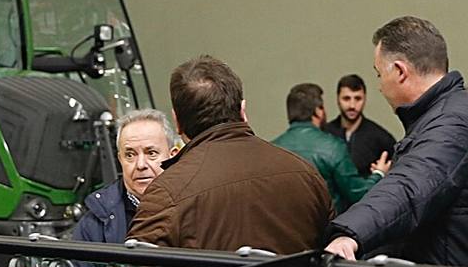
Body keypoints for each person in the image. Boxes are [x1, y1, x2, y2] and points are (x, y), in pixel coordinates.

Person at [324, 17, 468, 267]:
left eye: (379, 74)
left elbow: (408, 187)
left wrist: (349, 235)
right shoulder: (450, 113)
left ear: (401, 72)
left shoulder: (452, 124)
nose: (380, 87)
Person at [125, 56, 330, 255]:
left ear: (177, 122)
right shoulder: (304, 173)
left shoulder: (167, 193)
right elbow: (331, 252)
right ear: (243, 111)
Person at [64, 109, 178, 267]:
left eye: (151, 153)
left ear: (173, 155)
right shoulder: (94, 225)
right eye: (130, 155)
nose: (140, 164)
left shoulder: (191, 209)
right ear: (120, 160)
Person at [272, 83, 382, 213]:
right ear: (318, 111)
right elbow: (358, 193)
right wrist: (379, 174)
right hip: (325, 229)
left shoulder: (272, 149)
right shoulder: (333, 147)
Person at [322, 73, 396, 175]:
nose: (352, 105)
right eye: (346, 98)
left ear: (365, 99)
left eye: (358, 99)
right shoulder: (324, 134)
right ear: (338, 99)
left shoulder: (381, 138)